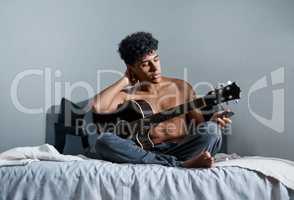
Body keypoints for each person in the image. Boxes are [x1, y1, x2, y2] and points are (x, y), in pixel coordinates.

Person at [92, 32, 232, 168]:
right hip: (145, 153)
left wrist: (212, 120)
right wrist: (125, 80)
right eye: (145, 64)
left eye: (156, 59)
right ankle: (178, 165)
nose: (155, 68)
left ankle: (176, 162)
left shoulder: (181, 87)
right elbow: (98, 107)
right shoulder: (127, 95)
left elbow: (199, 127)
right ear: (131, 68)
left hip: (183, 149)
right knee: (103, 141)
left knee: (212, 130)